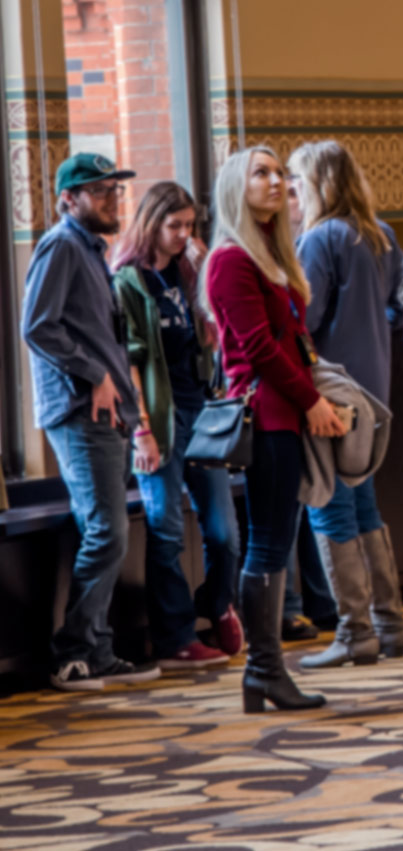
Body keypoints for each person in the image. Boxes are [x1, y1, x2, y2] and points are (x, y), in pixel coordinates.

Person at [202, 145, 347, 713]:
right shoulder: (232, 259)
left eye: (279, 172)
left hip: (285, 412)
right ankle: (264, 669)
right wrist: (311, 400)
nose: (275, 181)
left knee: (276, 538)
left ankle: (264, 673)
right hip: (266, 414)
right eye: (260, 172)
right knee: (268, 541)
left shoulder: (268, 253)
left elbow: (292, 339)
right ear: (237, 187)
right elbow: (259, 348)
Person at [21, 153, 162, 691]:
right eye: (98, 191)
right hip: (81, 411)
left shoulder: (91, 251)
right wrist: (94, 374)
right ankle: (75, 653)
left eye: (114, 189)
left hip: (107, 412)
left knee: (102, 527)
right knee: (107, 531)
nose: (112, 198)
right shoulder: (60, 246)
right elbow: (38, 327)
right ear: (67, 199)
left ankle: (97, 650)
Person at [111, 182, 242, 670]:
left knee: (223, 531)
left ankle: (216, 602)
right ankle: (173, 637)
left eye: (189, 226)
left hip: (201, 415)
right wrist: (141, 428)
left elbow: (214, 334)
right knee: (165, 528)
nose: (183, 235)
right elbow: (129, 361)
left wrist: (205, 267)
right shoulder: (128, 281)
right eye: (175, 226)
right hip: (160, 420)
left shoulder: (189, 273)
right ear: (152, 224)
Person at [288, 140, 403, 668]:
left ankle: (354, 630)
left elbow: (304, 324)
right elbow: (400, 309)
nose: (288, 192)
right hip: (375, 391)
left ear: (315, 184)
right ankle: (389, 624)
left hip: (332, 393)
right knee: (365, 507)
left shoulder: (320, 238)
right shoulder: (381, 234)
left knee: (329, 505)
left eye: (295, 182)